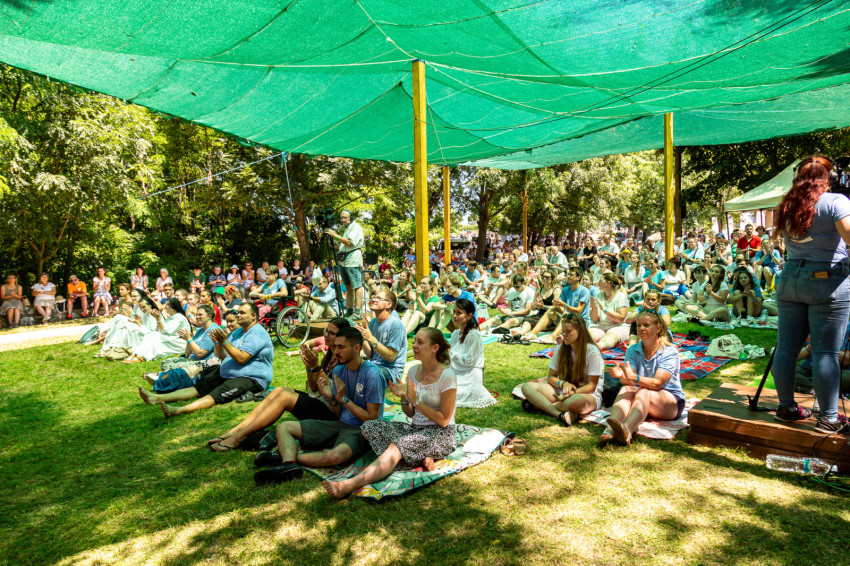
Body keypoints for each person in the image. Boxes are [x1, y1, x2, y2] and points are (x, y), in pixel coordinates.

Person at [323, 328, 457, 499]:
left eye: (420, 342)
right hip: (415, 429)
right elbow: (411, 413)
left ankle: (348, 485)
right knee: (369, 427)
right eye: (414, 341)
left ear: (435, 348)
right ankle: (421, 455)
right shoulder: (414, 371)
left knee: (396, 446)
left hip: (440, 434)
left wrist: (415, 400)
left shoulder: (447, 375)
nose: (414, 346)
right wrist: (404, 398)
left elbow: (444, 420)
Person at [770, 156, 850, 433]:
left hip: (790, 278)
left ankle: (787, 408)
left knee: (786, 348)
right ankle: (829, 418)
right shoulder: (836, 201)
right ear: (830, 179)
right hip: (826, 281)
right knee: (826, 352)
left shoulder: (787, 204)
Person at [254, 327, 386, 485]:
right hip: (340, 424)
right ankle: (288, 465)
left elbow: (372, 419)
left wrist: (344, 399)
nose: (335, 351)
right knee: (284, 427)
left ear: (356, 348)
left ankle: (286, 457)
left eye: (341, 347)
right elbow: (339, 413)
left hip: (362, 431)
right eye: (335, 347)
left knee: (334, 457)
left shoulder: (372, 375)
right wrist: (332, 399)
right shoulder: (339, 370)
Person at [208, 318, 352, 452]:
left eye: (331, 333)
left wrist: (316, 368)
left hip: (333, 411)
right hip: (321, 400)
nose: (326, 335)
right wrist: (309, 367)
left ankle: (239, 437)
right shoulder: (330, 355)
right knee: (279, 390)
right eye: (326, 331)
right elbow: (314, 388)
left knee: (284, 397)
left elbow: (334, 390)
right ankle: (235, 431)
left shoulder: (343, 358)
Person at [139, 302, 272, 418]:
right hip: (228, 374)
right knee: (199, 388)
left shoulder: (257, 333)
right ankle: (157, 398)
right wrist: (218, 343)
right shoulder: (237, 332)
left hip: (250, 378)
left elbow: (241, 358)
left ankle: (179, 410)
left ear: (253, 316)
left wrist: (224, 341)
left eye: (242, 313)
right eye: (238, 313)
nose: (238, 316)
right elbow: (222, 356)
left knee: (216, 394)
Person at [600, 309, 684, 446]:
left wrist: (635, 378)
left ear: (658, 328)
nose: (641, 329)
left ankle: (627, 430)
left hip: (671, 401)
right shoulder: (632, 350)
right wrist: (622, 376)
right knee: (626, 388)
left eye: (646, 325)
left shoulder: (669, 352)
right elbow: (629, 380)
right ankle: (611, 428)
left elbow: (657, 383)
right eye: (639, 325)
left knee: (644, 391)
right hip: (643, 396)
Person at [519, 313, 604, 425]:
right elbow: (551, 377)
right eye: (563, 331)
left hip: (588, 395)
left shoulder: (592, 351)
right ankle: (558, 414)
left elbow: (591, 386)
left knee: (573, 401)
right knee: (527, 387)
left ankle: (539, 406)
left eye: (568, 331)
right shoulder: (561, 349)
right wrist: (563, 384)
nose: (564, 335)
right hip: (564, 391)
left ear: (580, 331)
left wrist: (572, 393)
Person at [448, 298, 496, 408]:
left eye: (459, 313)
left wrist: (449, 353)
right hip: (456, 373)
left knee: (443, 393)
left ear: (469, 316)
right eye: (454, 312)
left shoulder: (474, 335)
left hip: (470, 377)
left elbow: (469, 362)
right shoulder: (455, 334)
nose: (454, 315)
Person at [355, 289, 407, 383]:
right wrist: (362, 338)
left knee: (366, 372)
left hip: (391, 371)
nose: (374, 300)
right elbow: (370, 354)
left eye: (379, 298)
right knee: (349, 365)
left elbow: (391, 357)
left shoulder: (395, 325)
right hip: (374, 365)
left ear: (388, 304)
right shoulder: (373, 322)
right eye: (374, 297)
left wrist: (371, 339)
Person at [123, 297, 190, 363]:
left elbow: (167, 332)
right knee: (151, 334)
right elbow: (160, 331)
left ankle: (140, 355)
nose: (165, 307)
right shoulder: (170, 318)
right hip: (169, 339)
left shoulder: (179, 318)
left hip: (178, 342)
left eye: (166, 305)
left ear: (172, 307)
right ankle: (136, 354)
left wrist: (158, 319)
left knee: (153, 335)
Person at [325, 210, 364, 318]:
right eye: (341, 217)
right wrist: (336, 245)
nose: (343, 220)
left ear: (351, 218)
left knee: (357, 286)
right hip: (344, 261)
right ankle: (350, 311)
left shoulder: (356, 227)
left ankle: (358, 312)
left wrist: (335, 235)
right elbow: (345, 245)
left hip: (352, 260)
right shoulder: (347, 228)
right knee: (348, 286)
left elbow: (350, 242)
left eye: (345, 217)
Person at [96, 292, 157, 356]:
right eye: (132, 296)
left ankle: (113, 346)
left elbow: (142, 324)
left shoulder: (150, 313)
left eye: (135, 296)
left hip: (144, 333)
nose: (132, 298)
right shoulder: (137, 307)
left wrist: (132, 315)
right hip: (139, 329)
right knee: (120, 318)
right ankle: (112, 345)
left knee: (124, 322)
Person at [588, 273, 630, 351]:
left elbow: (620, 319)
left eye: (600, 281)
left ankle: (598, 347)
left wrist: (605, 310)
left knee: (610, 336)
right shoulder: (599, 296)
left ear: (608, 283)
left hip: (618, 326)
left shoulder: (621, 297)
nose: (598, 282)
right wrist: (594, 308)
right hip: (601, 326)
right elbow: (594, 319)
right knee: (588, 334)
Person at [518, 269, 561, 340]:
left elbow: (557, 308)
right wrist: (536, 304)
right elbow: (532, 308)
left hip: (552, 317)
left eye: (547, 277)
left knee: (536, 323)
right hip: (540, 315)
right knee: (527, 320)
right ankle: (521, 333)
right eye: (543, 277)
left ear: (552, 278)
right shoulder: (539, 290)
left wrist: (544, 306)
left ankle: (532, 330)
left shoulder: (556, 290)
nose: (544, 279)